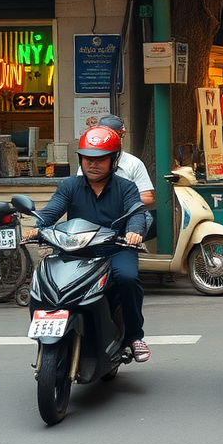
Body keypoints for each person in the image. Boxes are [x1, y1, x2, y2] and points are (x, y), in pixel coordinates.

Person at [25, 127, 150, 361]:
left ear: (113, 160)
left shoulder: (126, 187)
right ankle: (45, 337)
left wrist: (134, 232)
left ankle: (135, 336)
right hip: (75, 251)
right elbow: (51, 212)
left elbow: (136, 214)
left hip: (115, 249)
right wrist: (36, 228)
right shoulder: (69, 186)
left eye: (100, 159)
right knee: (42, 280)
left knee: (127, 278)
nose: (93, 164)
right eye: (87, 159)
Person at [80, 114, 156, 235]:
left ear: (121, 136)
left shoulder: (133, 163)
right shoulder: (88, 163)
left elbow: (148, 197)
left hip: (124, 217)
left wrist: (117, 201)